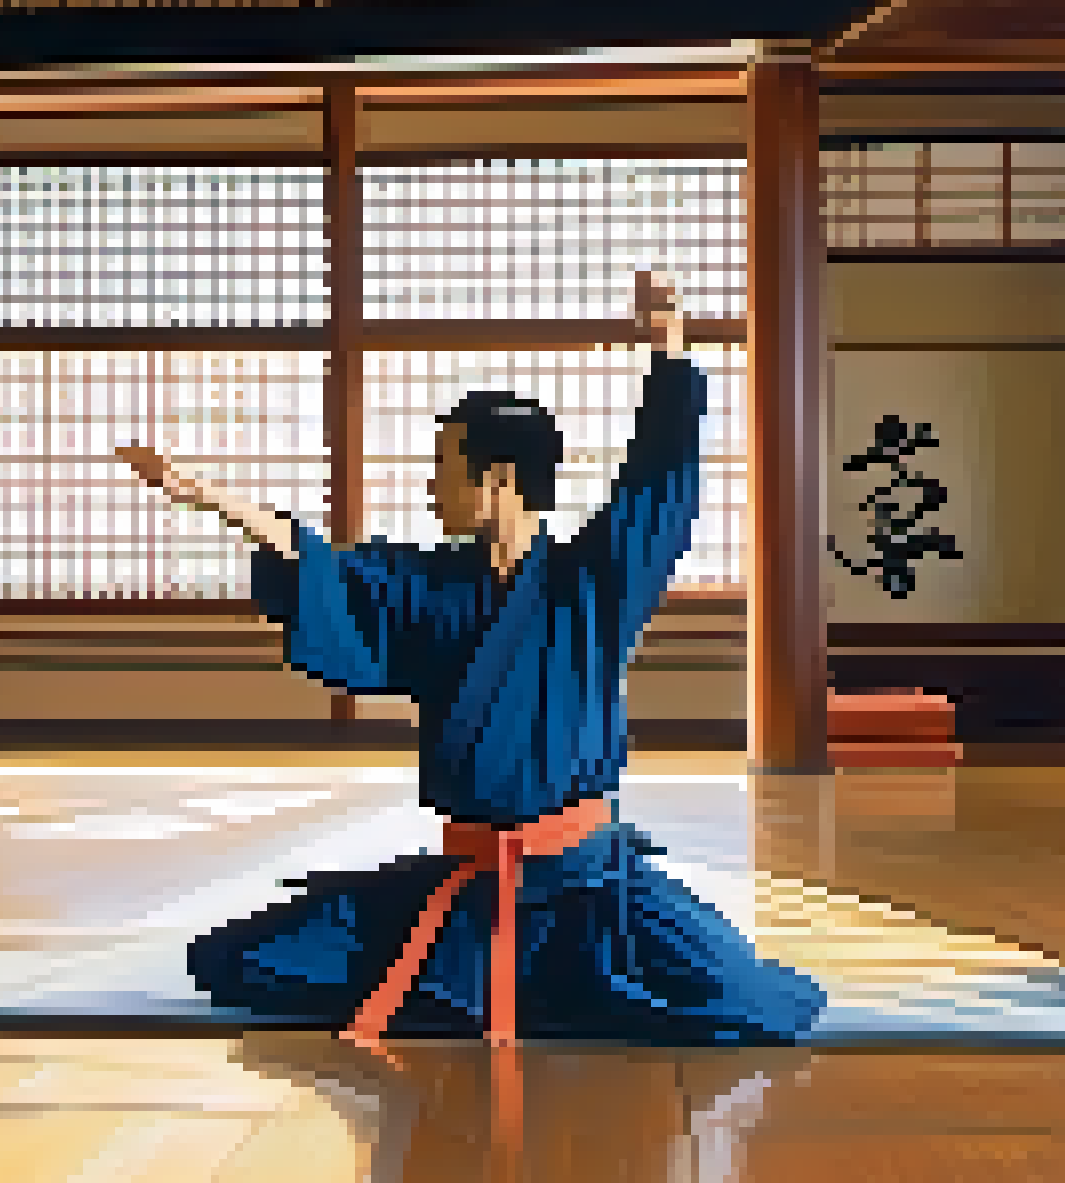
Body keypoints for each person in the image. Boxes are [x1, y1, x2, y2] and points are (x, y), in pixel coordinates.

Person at [115, 271, 826, 1048]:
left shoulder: (595, 581)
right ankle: (522, 989)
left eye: (443, 467)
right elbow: (336, 573)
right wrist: (219, 502)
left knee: (752, 1006)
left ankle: (547, 985)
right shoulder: (433, 587)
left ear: (496, 481)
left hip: (590, 888)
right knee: (238, 960)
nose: (431, 488)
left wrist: (669, 354)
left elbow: (656, 487)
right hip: (472, 887)